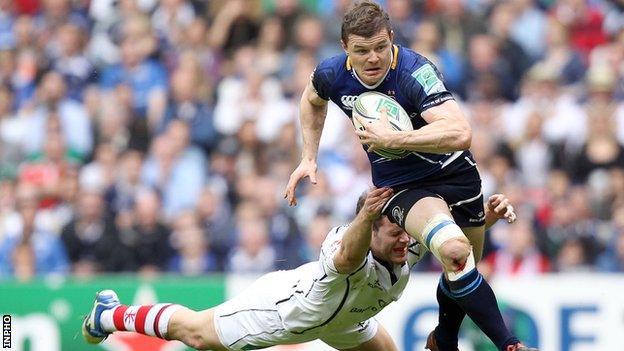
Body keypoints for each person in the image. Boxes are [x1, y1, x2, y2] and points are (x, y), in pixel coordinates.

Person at [283, 2, 536, 351]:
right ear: (345, 49)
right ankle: (510, 345)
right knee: (455, 250)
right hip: (402, 186)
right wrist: (308, 156)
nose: (373, 58)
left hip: (458, 177)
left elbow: (460, 132)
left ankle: (443, 339)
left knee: (461, 267)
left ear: (391, 39)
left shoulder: (415, 72)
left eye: (380, 48)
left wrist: (395, 139)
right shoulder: (331, 73)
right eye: (361, 51)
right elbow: (312, 99)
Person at [82, 190, 515, 351]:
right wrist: (365, 217)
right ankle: (109, 313)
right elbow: (349, 255)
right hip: (287, 312)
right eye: (393, 233)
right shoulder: (347, 243)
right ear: (370, 227)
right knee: (194, 333)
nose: (405, 241)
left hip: (346, 322)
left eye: (406, 233)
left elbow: (447, 239)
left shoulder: (406, 242)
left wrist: (486, 217)